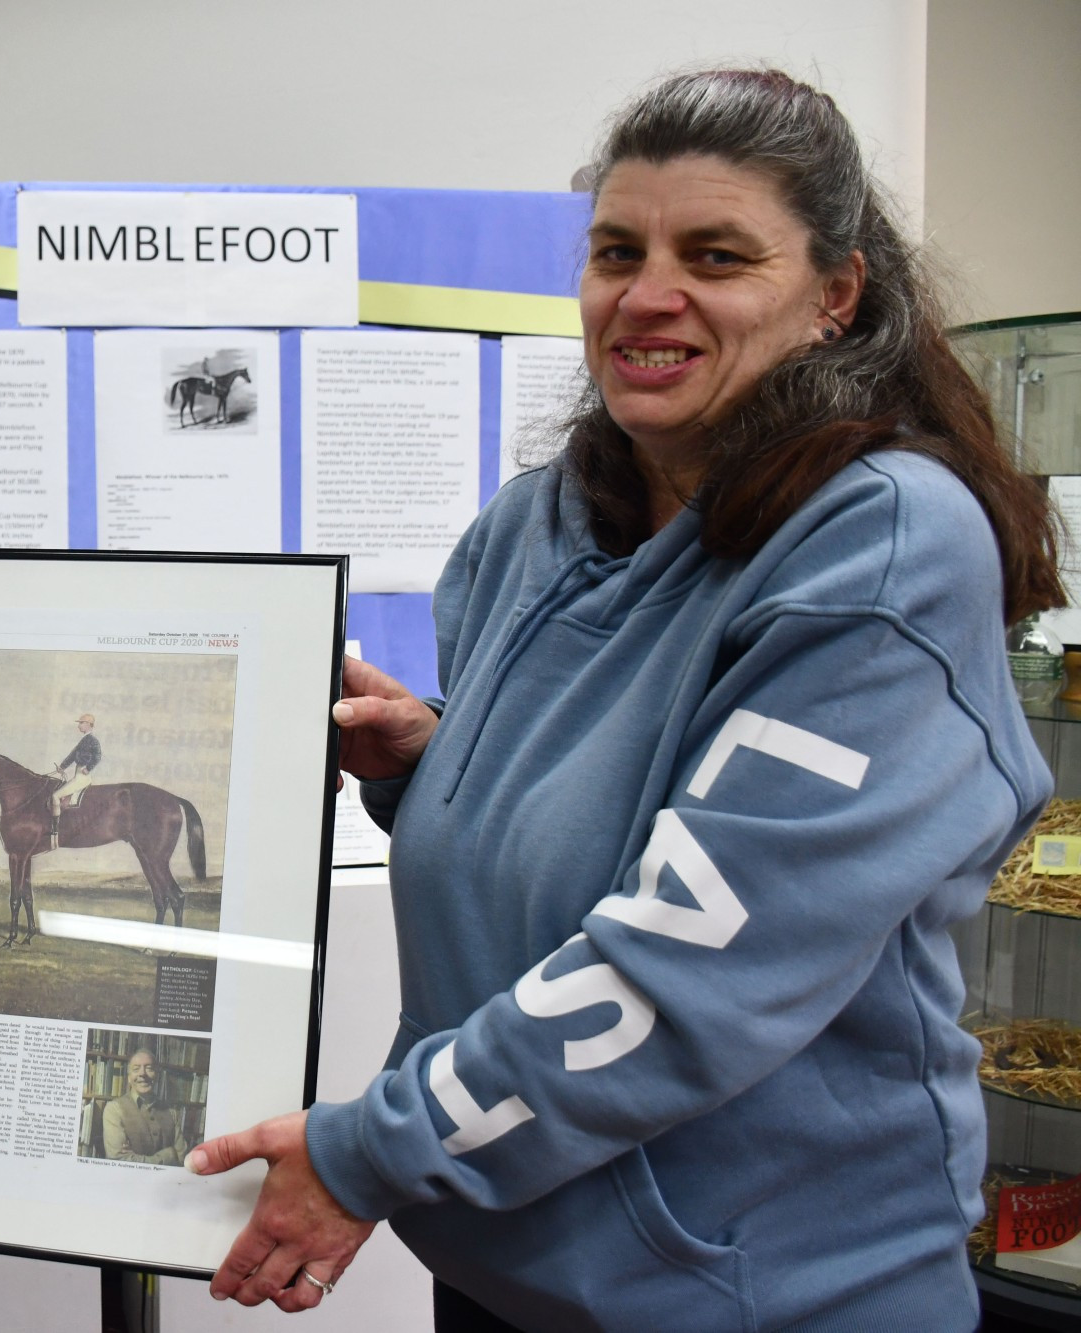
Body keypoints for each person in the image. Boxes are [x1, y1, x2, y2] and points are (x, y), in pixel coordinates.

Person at [188, 69, 1064, 1331]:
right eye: (616, 251)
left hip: (760, 1295)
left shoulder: (880, 546)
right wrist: (425, 762)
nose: (647, 295)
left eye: (714, 255)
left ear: (833, 295)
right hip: (504, 1266)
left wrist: (367, 1151)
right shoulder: (537, 520)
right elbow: (607, 823)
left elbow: (688, 960)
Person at [102, 1047, 188, 1166]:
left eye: (149, 1068)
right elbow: (119, 1160)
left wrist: (136, 1158)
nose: (142, 1073)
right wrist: (169, 1155)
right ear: (129, 1078)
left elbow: (183, 1158)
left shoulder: (171, 1112)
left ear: (157, 1076)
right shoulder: (114, 1109)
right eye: (136, 1069)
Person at [49, 712, 99, 847]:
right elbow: (72, 755)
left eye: (81, 723)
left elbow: (98, 757)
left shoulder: (92, 740)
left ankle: (55, 831)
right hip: (78, 772)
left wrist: (88, 768)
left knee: (55, 796)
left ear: (88, 725)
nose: (79, 726)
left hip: (82, 775)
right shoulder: (84, 740)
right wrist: (62, 767)